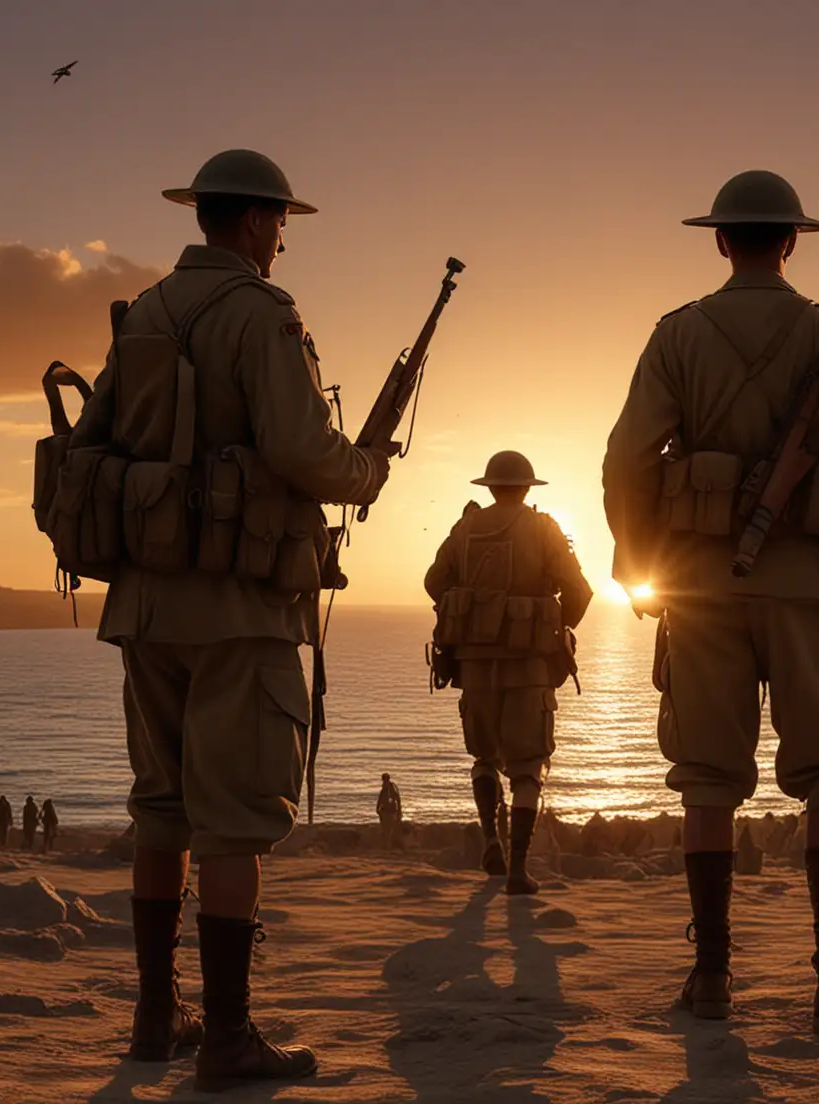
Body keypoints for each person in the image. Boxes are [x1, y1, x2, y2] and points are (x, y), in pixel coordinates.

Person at [66, 149, 392, 1086]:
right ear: (253, 224)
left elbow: (99, 444)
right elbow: (301, 449)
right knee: (234, 823)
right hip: (240, 605)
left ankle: (153, 1018)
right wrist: (366, 468)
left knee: (161, 812)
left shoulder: (152, 310)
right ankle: (228, 1039)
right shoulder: (263, 313)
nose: (283, 239)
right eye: (281, 223)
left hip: (145, 601)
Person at [602, 168, 819, 1037]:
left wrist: (641, 563)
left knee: (705, 778)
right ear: (793, 242)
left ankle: (710, 976)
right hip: (810, 585)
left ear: (722, 241)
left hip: (699, 588)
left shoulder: (678, 335)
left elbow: (626, 458)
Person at [423, 451, 594, 894]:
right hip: (530, 664)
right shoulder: (543, 528)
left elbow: (433, 581)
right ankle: (518, 868)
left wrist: (471, 612)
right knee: (528, 767)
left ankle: (489, 842)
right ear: (527, 487)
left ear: (490, 487)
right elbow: (578, 591)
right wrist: (552, 624)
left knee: (483, 758)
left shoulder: (465, 528)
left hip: (475, 666)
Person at [375, 774, 402, 849]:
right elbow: (380, 799)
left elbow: (397, 800)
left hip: (390, 812)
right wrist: (378, 809)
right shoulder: (385, 789)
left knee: (388, 829)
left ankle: (388, 846)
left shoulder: (391, 789)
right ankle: (386, 845)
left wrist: (399, 811)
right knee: (385, 829)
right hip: (385, 811)